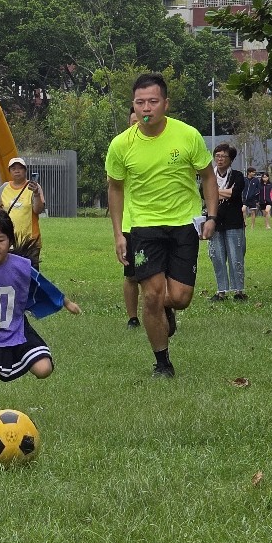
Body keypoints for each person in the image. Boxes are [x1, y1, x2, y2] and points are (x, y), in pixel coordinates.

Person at [105, 72, 217, 379]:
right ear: (133, 105)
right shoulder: (121, 144)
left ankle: (167, 308)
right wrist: (119, 234)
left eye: (153, 101)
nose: (146, 108)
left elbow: (208, 176)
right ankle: (163, 363)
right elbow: (115, 188)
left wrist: (211, 216)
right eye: (140, 102)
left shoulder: (188, 135)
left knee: (179, 298)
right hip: (144, 227)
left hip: (183, 224)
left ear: (165, 104)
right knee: (152, 295)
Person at [0, 208, 80, 429]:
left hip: (16, 329)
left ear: (10, 240)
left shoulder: (21, 266)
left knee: (44, 369)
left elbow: (43, 284)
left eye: (0, 240)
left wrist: (66, 302)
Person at [206, 143, 248, 302]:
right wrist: (224, 193)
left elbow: (235, 193)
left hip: (234, 221)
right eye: (217, 156)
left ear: (231, 159)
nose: (220, 159)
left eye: (224, 156)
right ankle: (221, 291)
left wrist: (214, 193)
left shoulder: (237, 176)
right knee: (217, 256)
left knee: (236, 256)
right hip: (215, 221)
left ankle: (239, 290)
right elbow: (204, 193)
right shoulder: (209, 176)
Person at [0, 157, 46, 261]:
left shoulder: (33, 187)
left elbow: (38, 210)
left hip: (30, 240)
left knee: (29, 269)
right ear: (9, 171)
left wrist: (36, 193)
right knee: (10, 269)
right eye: (13, 168)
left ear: (25, 171)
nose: (17, 171)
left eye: (20, 168)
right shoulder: (5, 187)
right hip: (9, 240)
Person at [120, 110, 141, 328]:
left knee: (159, 275)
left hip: (157, 221)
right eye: (133, 122)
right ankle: (133, 317)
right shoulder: (121, 148)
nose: (136, 126)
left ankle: (163, 311)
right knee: (131, 275)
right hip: (130, 223)